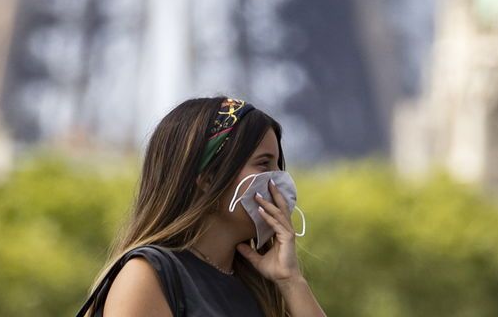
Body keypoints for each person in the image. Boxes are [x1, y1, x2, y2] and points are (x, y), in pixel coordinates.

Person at [78, 96, 327, 317]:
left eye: (278, 166)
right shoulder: (148, 274)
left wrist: (291, 281)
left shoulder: (259, 283)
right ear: (208, 178)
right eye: (263, 164)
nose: (279, 181)